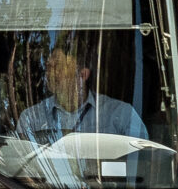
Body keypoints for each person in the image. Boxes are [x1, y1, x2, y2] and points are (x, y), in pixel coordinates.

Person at [16, 46, 148, 144]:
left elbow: (143, 163)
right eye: (48, 67)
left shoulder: (122, 115)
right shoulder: (31, 118)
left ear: (83, 74)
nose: (50, 74)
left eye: (58, 68)